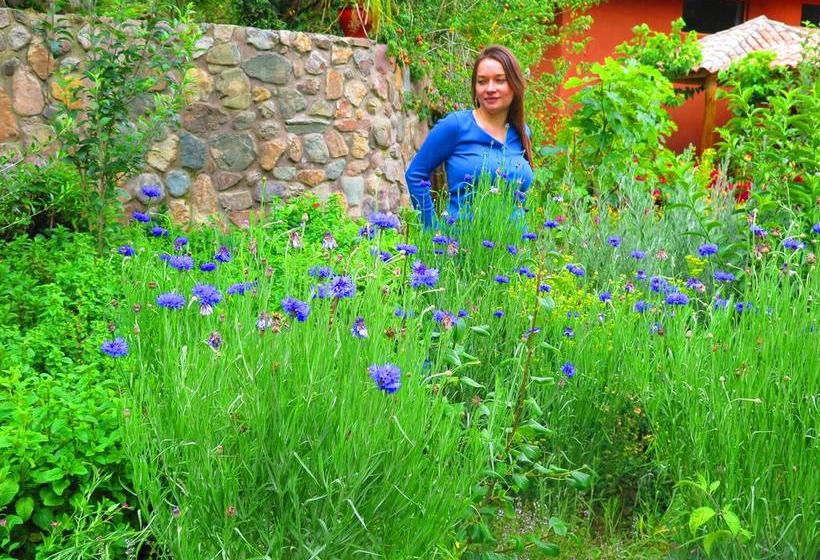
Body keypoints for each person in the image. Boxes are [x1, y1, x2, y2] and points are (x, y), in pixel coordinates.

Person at [404, 45, 534, 229]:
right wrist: (432, 231)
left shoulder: (522, 132)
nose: (490, 88)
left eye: (500, 80)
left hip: (513, 252)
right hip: (462, 250)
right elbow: (415, 175)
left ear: (515, 84)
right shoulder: (456, 126)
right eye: (482, 81)